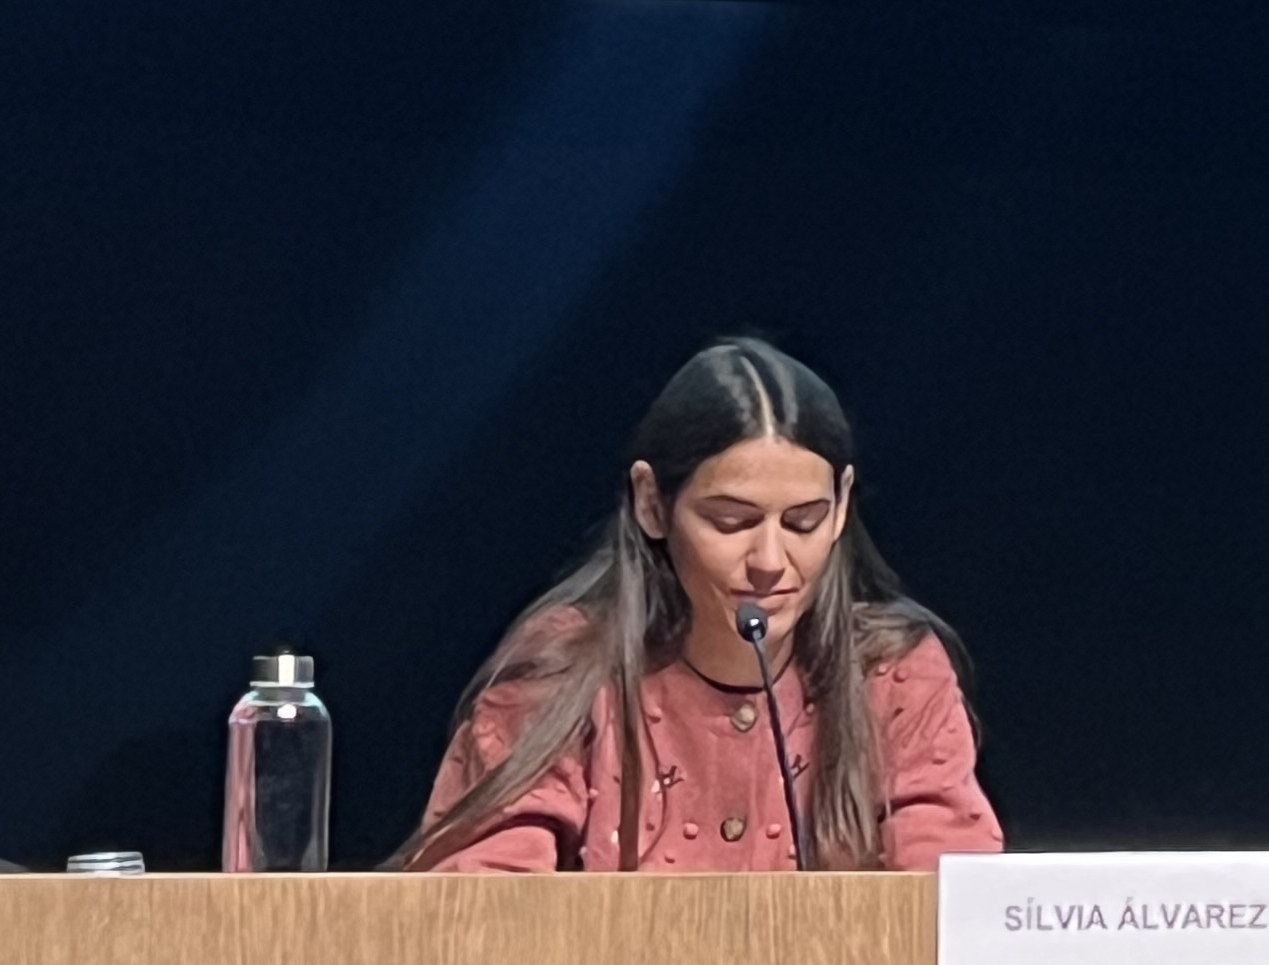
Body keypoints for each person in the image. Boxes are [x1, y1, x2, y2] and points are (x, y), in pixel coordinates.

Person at [401, 338, 1000, 873]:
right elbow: (482, 909)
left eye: (803, 522)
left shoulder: (894, 673)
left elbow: (960, 908)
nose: (770, 560)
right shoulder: (565, 667)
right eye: (731, 521)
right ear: (651, 503)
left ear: (841, 504)